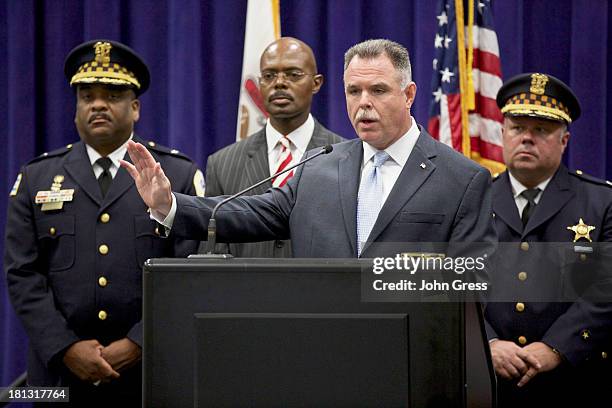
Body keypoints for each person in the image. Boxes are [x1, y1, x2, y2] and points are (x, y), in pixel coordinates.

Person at [123, 39, 495, 264]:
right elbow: (247, 213)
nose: (363, 103)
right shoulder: (320, 167)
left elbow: (473, 280)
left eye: (378, 90)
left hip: (413, 361)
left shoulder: (461, 179)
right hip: (325, 354)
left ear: (409, 94)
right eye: (353, 91)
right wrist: (169, 204)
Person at [4, 39, 203, 406]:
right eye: (86, 95)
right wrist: (65, 347)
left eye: (112, 94)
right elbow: (22, 273)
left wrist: (140, 341)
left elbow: (189, 272)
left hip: (152, 370)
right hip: (59, 375)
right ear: (75, 109)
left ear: (136, 107)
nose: (97, 104)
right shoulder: (36, 178)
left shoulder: (176, 174)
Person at [484, 72, 612, 407]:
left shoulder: (602, 203)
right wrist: (487, 344)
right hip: (488, 384)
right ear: (502, 134)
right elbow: (452, 282)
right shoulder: (472, 200)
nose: (527, 138)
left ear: (564, 140)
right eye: (517, 128)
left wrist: (557, 346)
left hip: (575, 381)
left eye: (541, 130)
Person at [203, 37, 344, 257]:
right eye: (269, 76)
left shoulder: (347, 156)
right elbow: (212, 253)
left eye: (293, 74)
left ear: (316, 83)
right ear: (259, 84)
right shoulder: (222, 164)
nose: (279, 83)